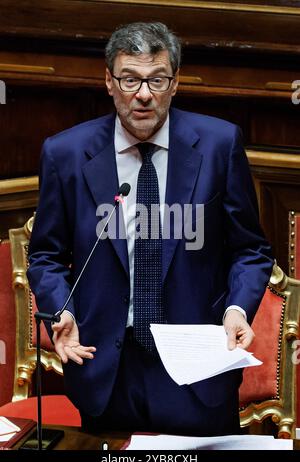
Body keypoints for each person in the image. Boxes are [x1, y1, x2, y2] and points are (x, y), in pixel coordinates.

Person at [27, 22, 273, 437]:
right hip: (105, 368)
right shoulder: (65, 153)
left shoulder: (218, 144)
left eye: (156, 80)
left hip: (197, 372)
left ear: (174, 84)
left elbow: (251, 251)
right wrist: (62, 308)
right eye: (130, 79)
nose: (143, 94)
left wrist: (236, 310)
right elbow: (46, 256)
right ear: (109, 81)